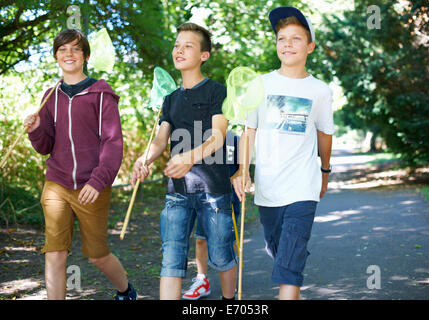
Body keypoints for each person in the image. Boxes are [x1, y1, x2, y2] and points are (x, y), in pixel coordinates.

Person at [24, 29, 137, 300]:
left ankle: (125, 290)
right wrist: (37, 129)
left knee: (97, 255)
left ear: (85, 56)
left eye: (75, 49)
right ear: (55, 56)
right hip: (57, 184)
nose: (69, 54)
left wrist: (98, 181)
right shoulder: (50, 96)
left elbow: (112, 143)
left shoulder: (101, 94)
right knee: (54, 251)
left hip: (92, 185)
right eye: (63, 49)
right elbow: (44, 147)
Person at [231, 7, 334, 300]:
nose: (287, 44)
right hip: (268, 188)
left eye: (296, 38)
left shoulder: (320, 91)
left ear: (310, 46)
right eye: (281, 38)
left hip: (303, 186)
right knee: (278, 249)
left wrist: (324, 171)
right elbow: (248, 130)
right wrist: (242, 171)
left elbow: (325, 135)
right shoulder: (260, 84)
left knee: (289, 265)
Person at [132, 22, 237, 300]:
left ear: (204, 55)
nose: (179, 50)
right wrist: (144, 159)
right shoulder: (169, 99)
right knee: (171, 259)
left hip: (214, 192)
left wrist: (188, 158)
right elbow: (160, 139)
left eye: (188, 45)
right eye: (177, 45)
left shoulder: (217, 91)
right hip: (176, 193)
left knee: (221, 255)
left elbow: (217, 137)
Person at [182, 131, 241, 300]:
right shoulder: (199, 138)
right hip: (204, 198)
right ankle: (202, 281)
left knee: (228, 242)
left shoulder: (233, 140)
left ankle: (231, 282)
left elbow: (239, 171)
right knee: (201, 238)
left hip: (227, 199)